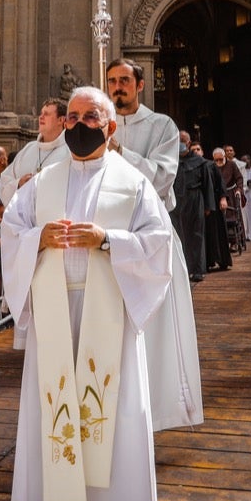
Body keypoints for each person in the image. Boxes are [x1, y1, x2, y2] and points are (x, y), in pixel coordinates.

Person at [0, 86, 174, 501]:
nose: (77, 126)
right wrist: (38, 238)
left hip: (109, 316)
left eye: (90, 117)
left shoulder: (133, 182)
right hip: (56, 315)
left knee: (112, 420)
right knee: (55, 415)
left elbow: (159, 245)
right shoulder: (40, 182)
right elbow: (11, 235)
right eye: (71, 117)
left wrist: (108, 240)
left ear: (110, 126)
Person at [105, 57, 203, 431]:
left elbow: (162, 178)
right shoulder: (98, 123)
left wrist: (119, 152)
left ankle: (155, 411)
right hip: (111, 237)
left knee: (153, 329)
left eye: (125, 80)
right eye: (112, 81)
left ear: (140, 85)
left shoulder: (162, 126)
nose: (118, 87)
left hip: (150, 235)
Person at [1, 100, 68, 209]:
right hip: (22, 222)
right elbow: (5, 181)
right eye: (41, 113)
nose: (41, 117)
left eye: (46, 114)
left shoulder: (69, 152)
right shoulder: (29, 149)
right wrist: (18, 184)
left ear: (61, 120)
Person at [173, 132, 210, 281]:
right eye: (178, 140)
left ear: (188, 143)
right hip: (177, 201)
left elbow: (207, 184)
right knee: (180, 235)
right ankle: (183, 269)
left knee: (196, 234)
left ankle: (197, 269)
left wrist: (208, 206)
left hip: (195, 199)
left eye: (183, 140)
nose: (180, 143)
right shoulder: (172, 160)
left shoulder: (199, 162)